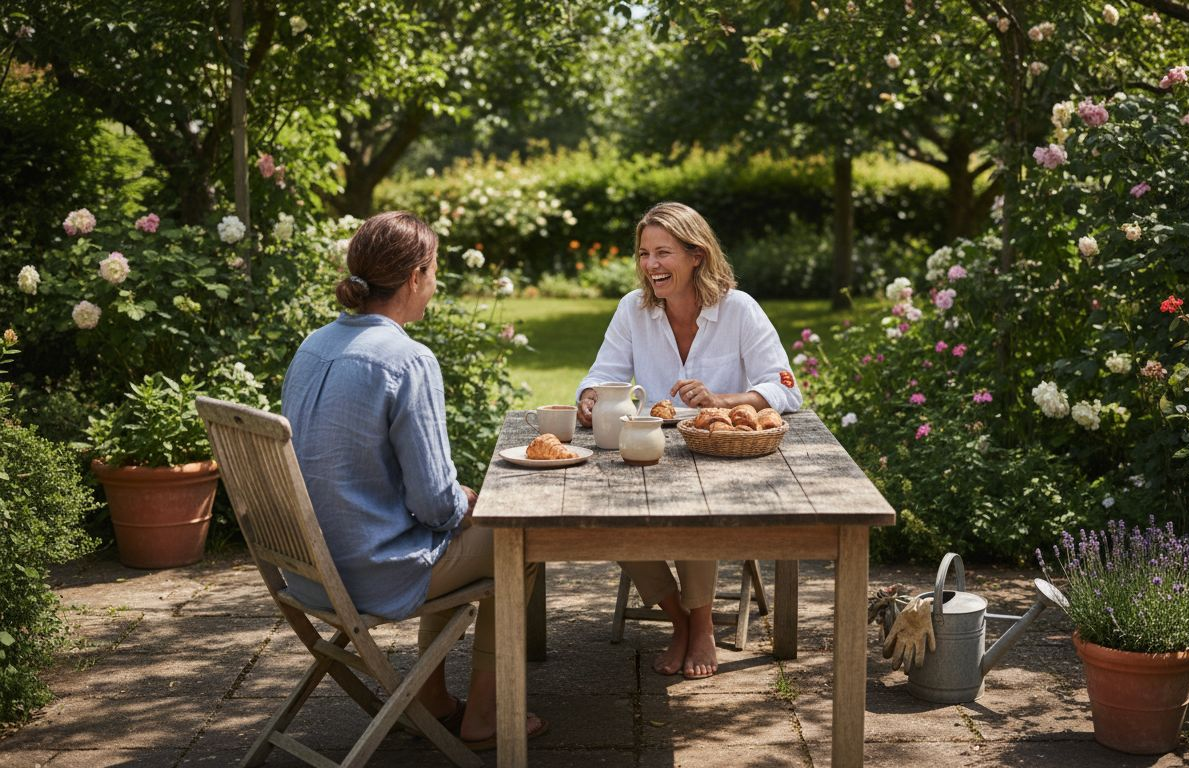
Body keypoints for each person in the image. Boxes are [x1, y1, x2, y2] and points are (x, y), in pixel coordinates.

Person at [281, 211, 544, 749]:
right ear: (415, 277)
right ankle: (486, 717)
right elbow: (435, 504)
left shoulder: (314, 346)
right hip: (370, 573)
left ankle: (431, 699)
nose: (436, 284)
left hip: (306, 569)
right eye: (435, 271)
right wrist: (464, 500)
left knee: (460, 528)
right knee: (522, 536)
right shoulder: (407, 359)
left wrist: (450, 506)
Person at [575, 201, 802, 679]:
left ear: (696, 254)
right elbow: (602, 373)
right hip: (652, 453)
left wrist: (722, 400)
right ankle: (681, 620)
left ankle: (701, 626)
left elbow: (785, 387)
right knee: (609, 519)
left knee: (698, 509)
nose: (651, 265)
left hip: (719, 461)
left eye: (664, 253)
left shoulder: (738, 310)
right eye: (643, 254)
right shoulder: (633, 311)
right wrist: (591, 397)